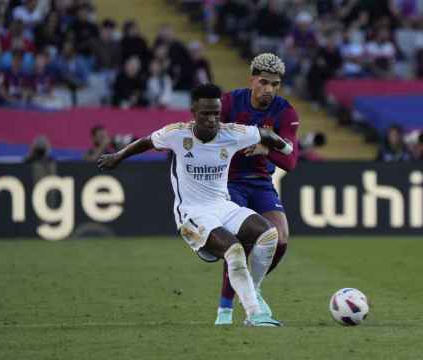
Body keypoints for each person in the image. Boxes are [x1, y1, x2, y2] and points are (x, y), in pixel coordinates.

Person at [97, 83, 294, 327]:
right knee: (234, 251)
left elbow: (264, 134)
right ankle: (256, 314)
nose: (212, 120)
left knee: (268, 235)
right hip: (192, 213)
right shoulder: (177, 134)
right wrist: (118, 157)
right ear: (193, 111)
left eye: (216, 114)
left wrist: (287, 148)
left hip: (222, 206)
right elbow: (146, 142)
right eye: (206, 114)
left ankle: (251, 291)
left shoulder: (231, 133)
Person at [214, 53, 299, 325]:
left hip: (261, 182)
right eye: (264, 82)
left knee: (281, 239)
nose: (269, 90)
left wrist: (265, 148)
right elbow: (209, 134)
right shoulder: (229, 102)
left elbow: (291, 160)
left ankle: (254, 289)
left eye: (275, 84)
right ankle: (224, 312)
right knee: (240, 242)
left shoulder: (285, 112)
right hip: (229, 181)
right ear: (252, 80)